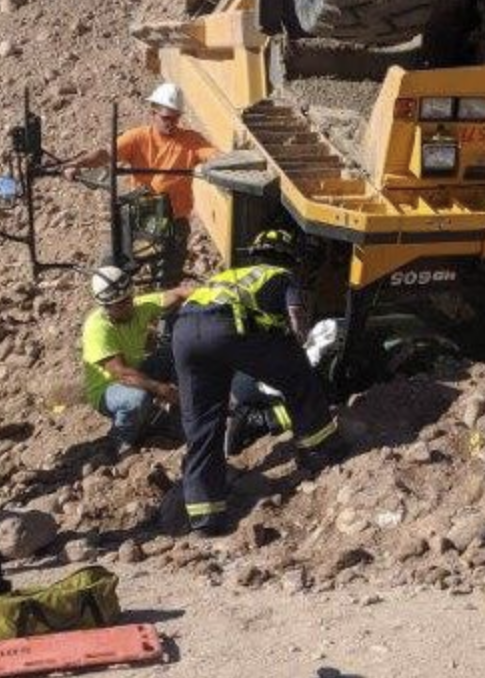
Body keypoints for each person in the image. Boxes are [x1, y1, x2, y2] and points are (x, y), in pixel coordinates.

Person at [170, 228, 347, 535]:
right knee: (298, 375)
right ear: (291, 258)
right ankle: (319, 447)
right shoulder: (280, 274)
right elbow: (295, 316)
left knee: (202, 425)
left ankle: (205, 517)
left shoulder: (229, 276)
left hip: (184, 334)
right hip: (228, 329)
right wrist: (300, 346)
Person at [62, 83, 218, 283]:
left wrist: (224, 163)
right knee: (112, 270)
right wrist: (77, 164)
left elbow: (212, 156)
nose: (171, 123)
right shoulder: (137, 138)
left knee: (166, 281)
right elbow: (105, 154)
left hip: (174, 221)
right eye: (166, 118)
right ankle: (119, 302)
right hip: (140, 216)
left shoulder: (190, 140)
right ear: (153, 113)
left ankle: (164, 306)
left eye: (175, 118)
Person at [80, 265, 191, 456]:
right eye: (121, 304)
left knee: (175, 350)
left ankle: (177, 413)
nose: (129, 305)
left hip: (136, 372)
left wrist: (212, 291)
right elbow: (122, 374)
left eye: (129, 299)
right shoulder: (98, 328)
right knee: (135, 399)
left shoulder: (137, 307)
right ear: (106, 307)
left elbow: (178, 293)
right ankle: (121, 438)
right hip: (109, 390)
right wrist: (162, 389)